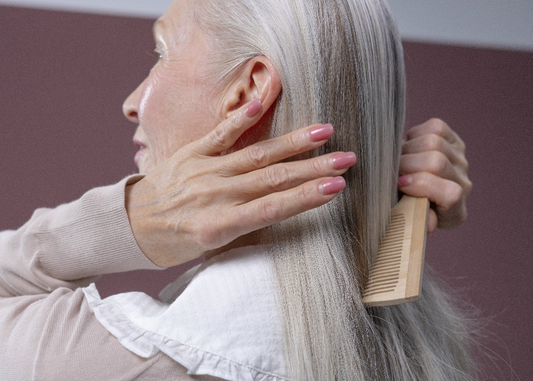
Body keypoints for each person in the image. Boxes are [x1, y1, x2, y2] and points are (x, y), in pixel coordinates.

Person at [0, 0, 473, 379]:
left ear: (248, 92)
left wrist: (131, 219)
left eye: (160, 53)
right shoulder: (420, 348)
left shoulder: (120, 360)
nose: (131, 104)